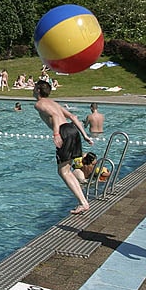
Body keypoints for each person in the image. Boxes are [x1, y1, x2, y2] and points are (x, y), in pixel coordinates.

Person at [33, 80, 94, 215]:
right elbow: (72, 116)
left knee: (63, 172)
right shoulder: (53, 103)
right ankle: (83, 201)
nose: (32, 90)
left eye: (34, 87)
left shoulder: (39, 104)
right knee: (67, 170)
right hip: (72, 130)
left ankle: (83, 203)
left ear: (38, 90)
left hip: (63, 132)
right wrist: (84, 135)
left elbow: (55, 116)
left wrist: (56, 134)